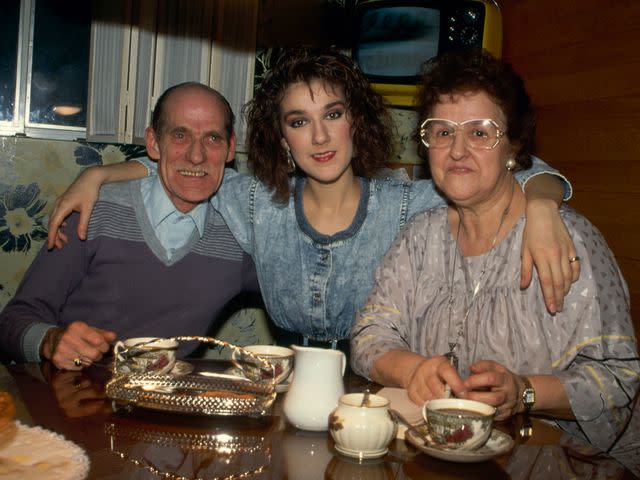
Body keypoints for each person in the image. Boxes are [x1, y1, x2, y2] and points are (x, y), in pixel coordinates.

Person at [46, 48, 577, 353]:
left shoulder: (406, 205)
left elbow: (516, 169)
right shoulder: (253, 202)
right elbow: (187, 164)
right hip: (287, 401)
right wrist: (97, 175)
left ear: (356, 122)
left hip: (383, 401)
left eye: (333, 115)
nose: (319, 138)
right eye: (299, 121)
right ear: (281, 138)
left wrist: (543, 206)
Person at [350, 50, 639, 470]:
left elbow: (618, 378)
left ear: (513, 147)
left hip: (568, 462)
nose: (458, 150)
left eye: (480, 132)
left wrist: (524, 391)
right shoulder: (419, 236)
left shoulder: (566, 240)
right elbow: (368, 333)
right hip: (449, 461)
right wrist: (413, 370)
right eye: (443, 132)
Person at [0, 82, 259, 370]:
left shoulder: (240, 236)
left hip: (166, 406)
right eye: (180, 135)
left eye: (212, 138)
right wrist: (49, 340)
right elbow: (12, 323)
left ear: (230, 148)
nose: (196, 156)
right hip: (74, 399)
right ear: (153, 143)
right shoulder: (92, 210)